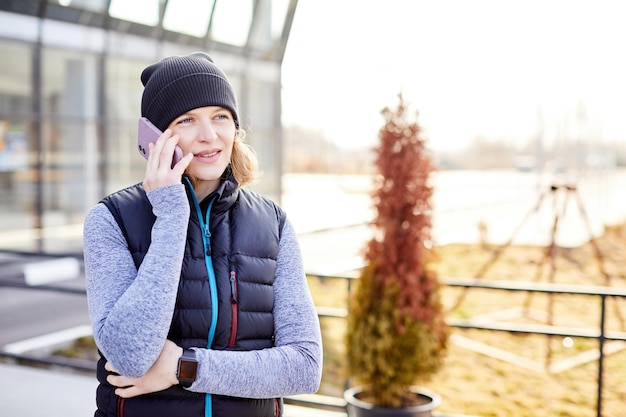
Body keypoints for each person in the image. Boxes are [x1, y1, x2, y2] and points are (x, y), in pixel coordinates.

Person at [83, 52, 323, 417]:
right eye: (187, 120)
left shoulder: (274, 224)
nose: (209, 135)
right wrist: (171, 217)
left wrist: (184, 367)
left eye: (220, 117)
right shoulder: (110, 220)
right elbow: (130, 354)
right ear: (155, 137)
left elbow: (305, 367)